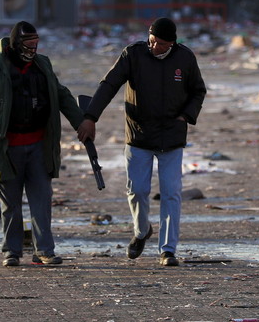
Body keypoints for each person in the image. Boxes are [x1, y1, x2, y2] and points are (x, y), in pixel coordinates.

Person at [0, 21, 95, 267]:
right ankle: (11, 252)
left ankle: (44, 250)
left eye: (36, 44)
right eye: (28, 44)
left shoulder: (42, 65)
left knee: (41, 200)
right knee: (10, 202)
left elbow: (62, 95)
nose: (32, 49)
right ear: (16, 44)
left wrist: (83, 122)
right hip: (5, 147)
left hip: (39, 145)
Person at [81, 17, 207, 267]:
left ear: (171, 43)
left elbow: (198, 90)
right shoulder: (133, 55)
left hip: (172, 136)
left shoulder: (185, 58)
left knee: (171, 194)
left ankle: (168, 250)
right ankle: (141, 231)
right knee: (137, 190)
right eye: (151, 41)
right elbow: (109, 85)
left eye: (159, 44)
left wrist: (186, 116)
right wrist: (90, 117)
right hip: (138, 135)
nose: (153, 47)